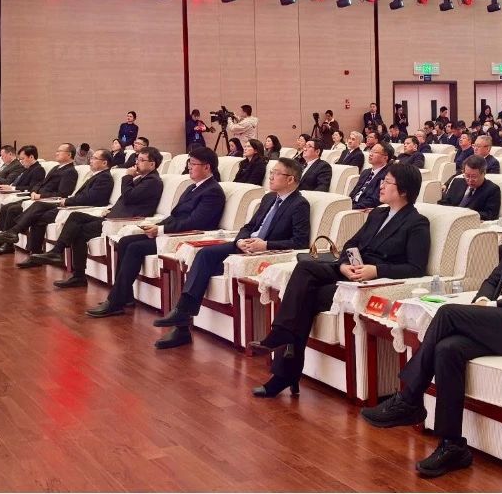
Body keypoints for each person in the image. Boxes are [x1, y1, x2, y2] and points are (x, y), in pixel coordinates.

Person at [360, 182, 502, 478]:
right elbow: (492, 280)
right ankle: (452, 445)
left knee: (448, 313)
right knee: (447, 348)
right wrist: (483, 300)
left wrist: (496, 303)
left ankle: (409, 398)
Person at [250, 163, 430, 397]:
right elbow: (351, 244)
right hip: (350, 271)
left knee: (305, 299)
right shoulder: (378, 213)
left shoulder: (417, 223)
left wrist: (375, 270)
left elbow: (415, 268)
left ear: (403, 190)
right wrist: (344, 264)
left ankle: (284, 371)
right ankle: (283, 338)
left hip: (370, 280)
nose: (381, 185)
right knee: (304, 268)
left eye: (387, 182)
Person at [151, 158, 311, 349]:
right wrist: (241, 240)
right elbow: (249, 226)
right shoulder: (269, 198)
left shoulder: (299, 204)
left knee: (202, 269)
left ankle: (182, 323)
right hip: (244, 246)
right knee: (203, 255)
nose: (270, 176)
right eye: (271, 172)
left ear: (290, 179)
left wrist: (266, 245)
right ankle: (182, 318)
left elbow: (300, 242)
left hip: (262, 253)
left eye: (276, 173)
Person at [86, 146, 227, 317]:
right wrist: (157, 226)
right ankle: (125, 296)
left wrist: (161, 229)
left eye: (193, 163)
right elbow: (175, 215)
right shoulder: (192, 187)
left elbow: (196, 222)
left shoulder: (213, 191)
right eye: (189, 163)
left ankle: (115, 301)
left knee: (135, 247)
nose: (189, 167)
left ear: (207, 167)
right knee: (125, 241)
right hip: (173, 231)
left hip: (187, 237)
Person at [30, 147, 165, 287]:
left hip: (121, 222)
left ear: (152, 164)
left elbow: (128, 197)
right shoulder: (142, 179)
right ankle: (59, 255)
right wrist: (111, 209)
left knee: (79, 231)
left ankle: (75, 272)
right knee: (76, 217)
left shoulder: (153, 181)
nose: (136, 162)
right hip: (112, 217)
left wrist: (127, 177)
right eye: (137, 159)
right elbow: (127, 200)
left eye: (141, 160)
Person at [0, 149, 116, 261]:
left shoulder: (104, 178)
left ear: (104, 163)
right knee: (38, 211)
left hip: (83, 207)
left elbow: (90, 198)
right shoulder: (97, 176)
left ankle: (18, 235)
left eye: (94, 158)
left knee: (38, 211)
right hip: (72, 203)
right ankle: (28, 247)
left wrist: (67, 201)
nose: (90, 160)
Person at [0, 143, 80, 254]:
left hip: (48, 201)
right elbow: (40, 183)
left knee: (13, 209)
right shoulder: (56, 168)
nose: (56, 153)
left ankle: (11, 237)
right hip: (36, 197)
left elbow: (63, 193)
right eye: (57, 151)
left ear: (69, 155)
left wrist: (41, 196)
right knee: (8, 206)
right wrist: (35, 191)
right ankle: (6, 240)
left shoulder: (70, 171)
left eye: (60, 151)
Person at [438, 155, 501, 220]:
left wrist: (465, 214)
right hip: (450, 218)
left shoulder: (492, 190)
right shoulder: (457, 182)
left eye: (474, 176)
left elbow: (490, 215)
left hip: (470, 222)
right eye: (467, 176)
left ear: (484, 173)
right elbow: (444, 202)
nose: (470, 180)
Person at [349, 142, 393, 209]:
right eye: (371, 151)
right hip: (352, 205)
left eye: (375, 152)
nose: (371, 154)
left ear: (385, 157)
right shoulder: (366, 172)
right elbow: (354, 193)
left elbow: (375, 200)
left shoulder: (388, 176)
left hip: (364, 210)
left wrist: (351, 207)